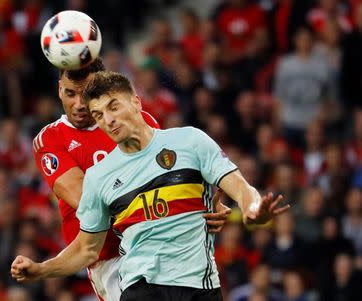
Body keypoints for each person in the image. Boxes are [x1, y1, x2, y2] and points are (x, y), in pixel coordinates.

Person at [11, 71, 290, 300]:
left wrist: (248, 207)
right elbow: (86, 247)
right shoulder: (98, 175)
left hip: (196, 281)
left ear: (136, 102)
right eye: (99, 115)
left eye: (113, 107)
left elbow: (239, 187)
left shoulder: (188, 141)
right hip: (132, 278)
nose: (107, 120)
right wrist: (41, 269)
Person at [31, 60, 231, 300]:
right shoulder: (51, 139)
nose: (79, 104)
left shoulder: (139, 121)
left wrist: (203, 204)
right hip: (110, 260)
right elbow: (86, 200)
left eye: (85, 94)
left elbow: (168, 176)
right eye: (70, 93)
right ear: (59, 89)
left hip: (160, 245)